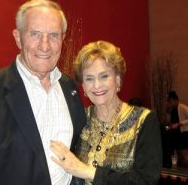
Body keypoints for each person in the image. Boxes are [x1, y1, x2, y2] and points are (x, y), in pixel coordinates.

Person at [0, 0, 87, 185]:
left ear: (63, 39)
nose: (45, 45)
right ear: (18, 38)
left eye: (54, 35)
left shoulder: (69, 87)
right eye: (35, 34)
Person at [50, 40, 162, 184]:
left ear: (118, 79)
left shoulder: (144, 120)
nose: (97, 85)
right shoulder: (78, 118)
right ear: (83, 87)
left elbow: (147, 180)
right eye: (89, 79)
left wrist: (87, 171)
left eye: (104, 76)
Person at [167, 90, 188, 168]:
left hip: (184, 133)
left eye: (170, 101)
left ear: (175, 100)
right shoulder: (171, 110)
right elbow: (169, 121)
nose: (169, 103)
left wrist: (179, 124)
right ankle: (181, 170)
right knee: (178, 153)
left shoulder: (183, 107)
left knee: (184, 154)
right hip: (175, 133)